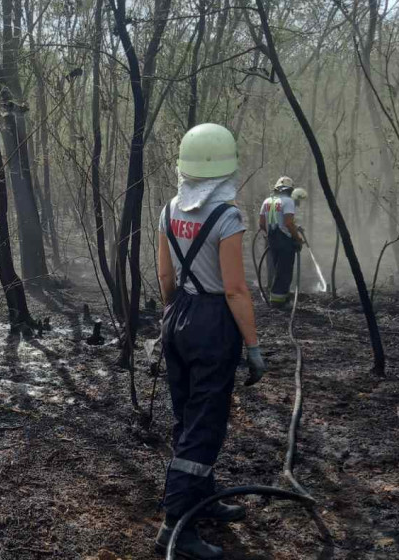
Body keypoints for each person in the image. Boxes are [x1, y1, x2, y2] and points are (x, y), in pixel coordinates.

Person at [155, 123, 266, 559]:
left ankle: (204, 498)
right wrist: (253, 347)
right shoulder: (228, 216)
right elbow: (235, 290)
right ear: (226, 169)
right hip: (213, 322)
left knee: (188, 415)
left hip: (177, 314)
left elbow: (165, 276)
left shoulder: (169, 210)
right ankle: (175, 527)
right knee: (204, 425)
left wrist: (173, 316)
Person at [259, 177, 303, 306]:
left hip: (272, 239)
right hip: (285, 240)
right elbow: (288, 223)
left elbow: (261, 224)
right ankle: (279, 301)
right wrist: (298, 238)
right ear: (290, 190)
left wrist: (270, 235)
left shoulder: (267, 201)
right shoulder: (288, 201)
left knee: (278, 268)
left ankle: (277, 298)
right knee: (285, 271)